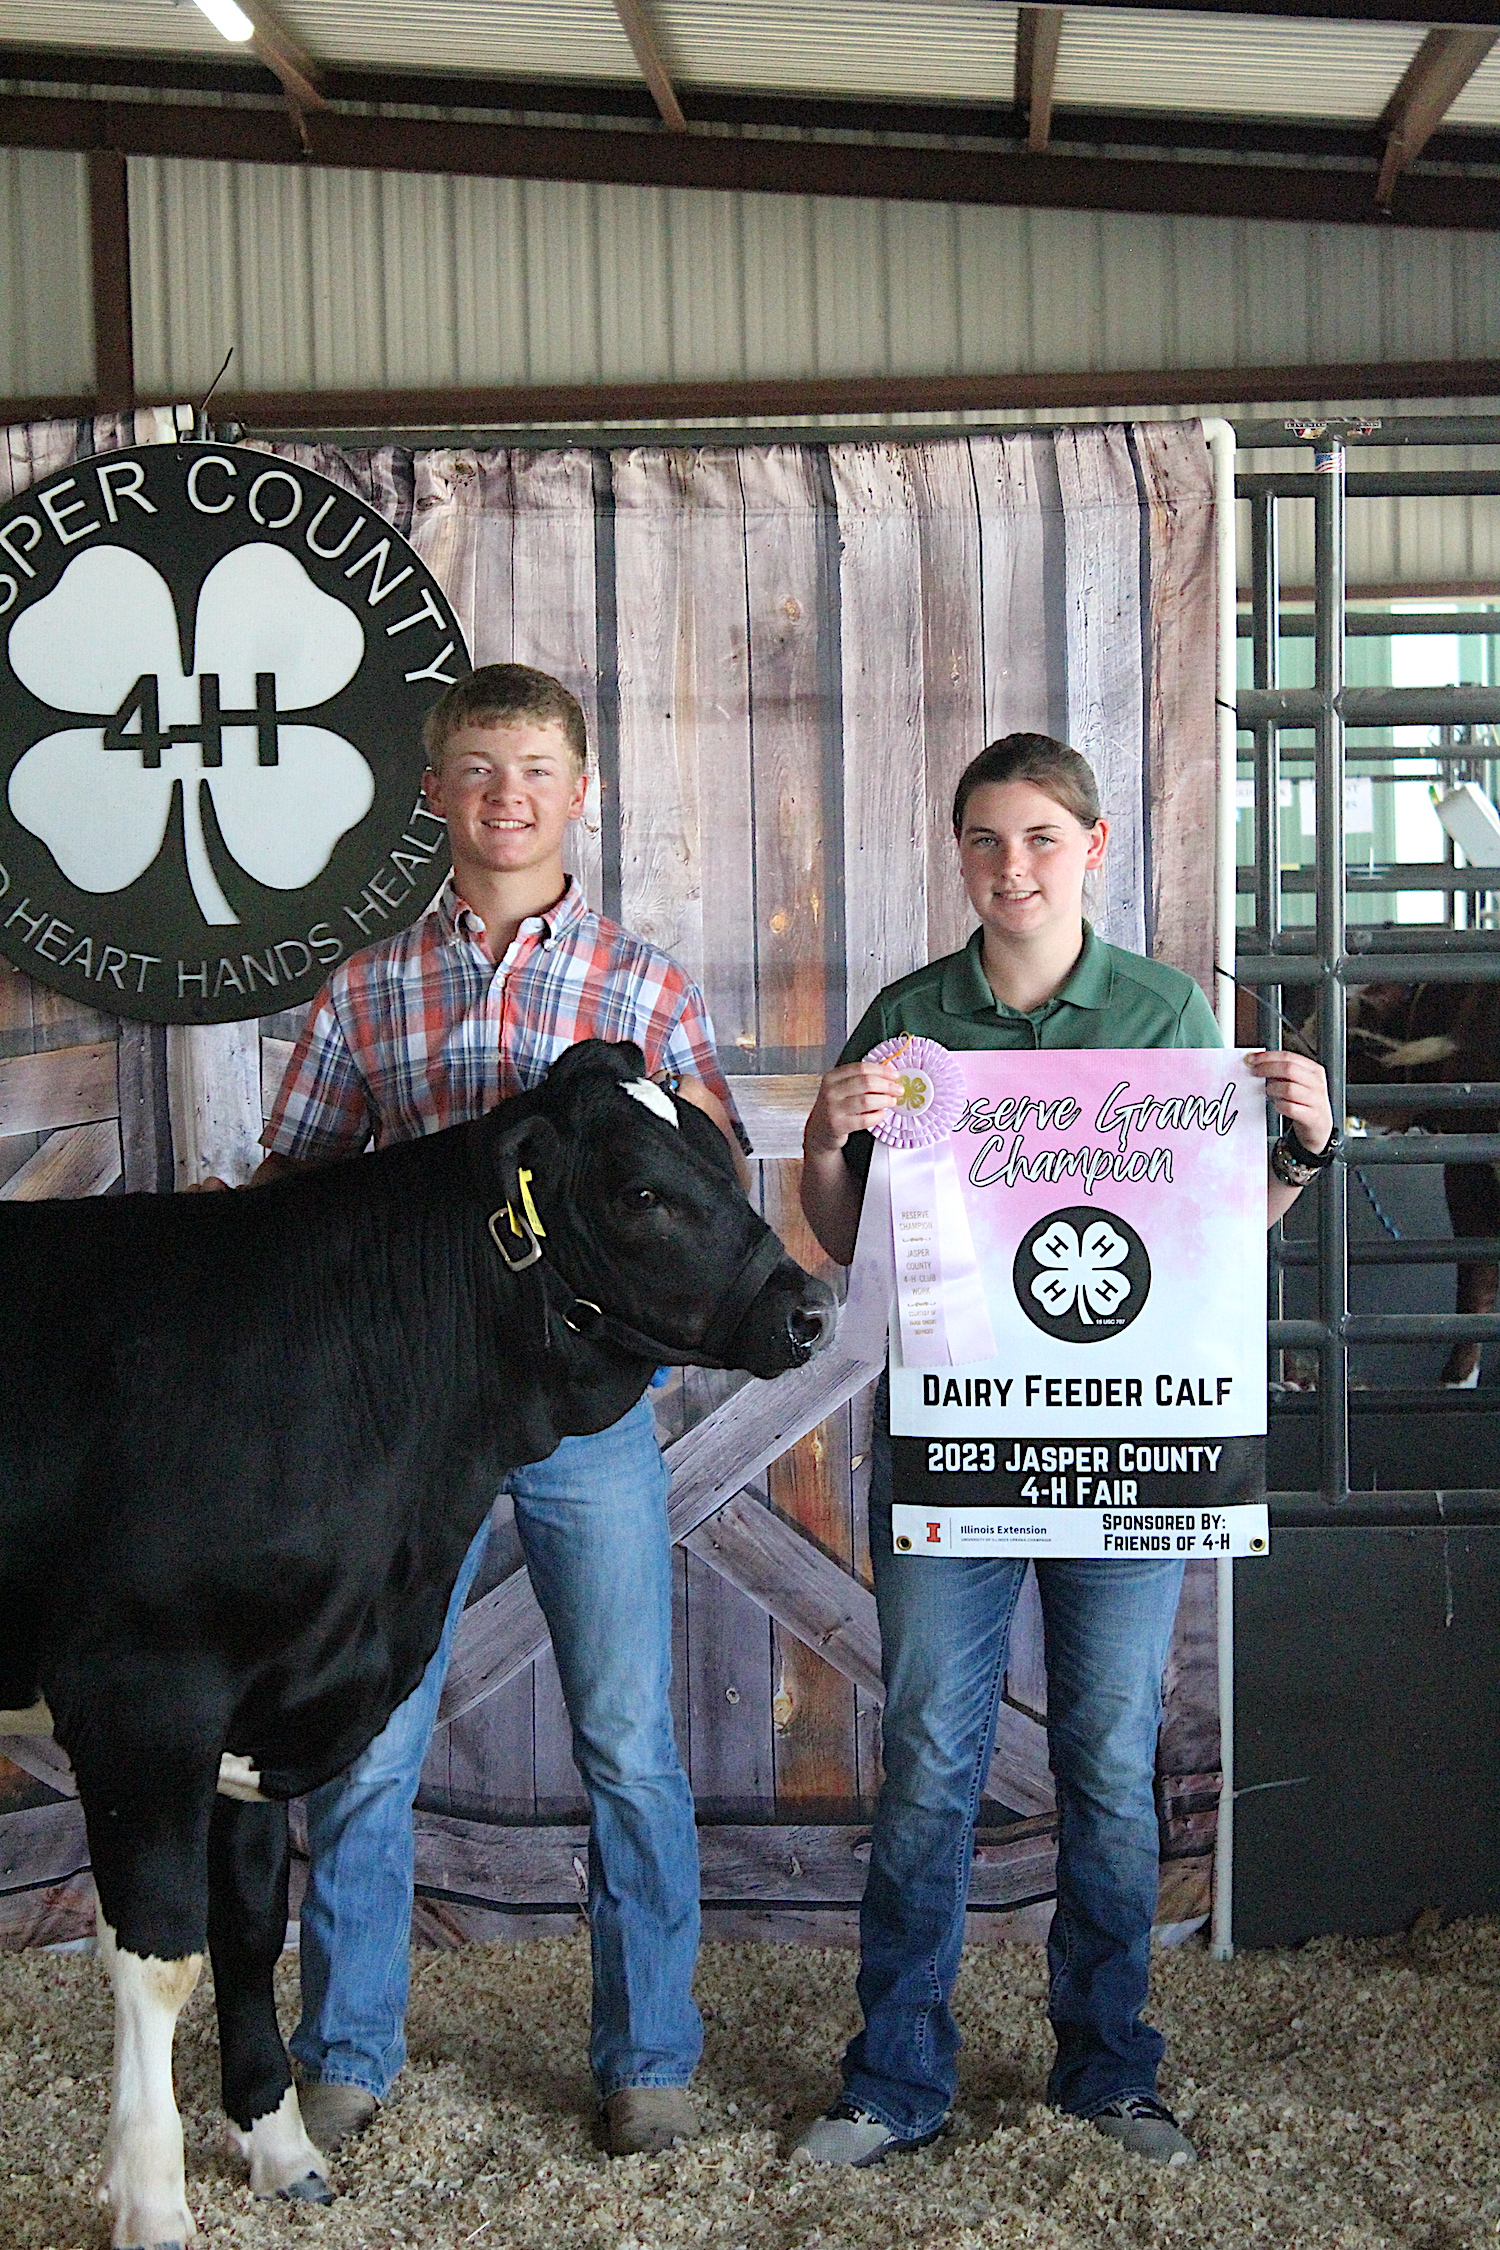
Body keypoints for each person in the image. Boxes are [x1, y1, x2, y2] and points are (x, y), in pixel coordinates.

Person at [793, 731, 1332, 2169]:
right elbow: (849, 1247)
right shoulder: (910, 1020)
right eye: (985, 839)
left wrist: (1299, 1145)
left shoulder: (1166, 1013)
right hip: (956, 1446)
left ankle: (1108, 2068)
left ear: (1094, 848)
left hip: (1129, 1450)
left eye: (1040, 837)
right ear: (957, 855)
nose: (1012, 865)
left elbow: (1221, 1228)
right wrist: (828, 1142)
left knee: (1107, 1759)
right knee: (929, 1756)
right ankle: (893, 2076)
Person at [255, 662, 748, 2159]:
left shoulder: (645, 988)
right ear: (435, 792)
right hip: (407, 1433)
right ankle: (346, 2050)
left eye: (533, 769)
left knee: (629, 1741)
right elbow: (297, 1189)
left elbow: (716, 1185)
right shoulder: (366, 989)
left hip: (588, 1416)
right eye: (477, 769)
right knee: (368, 1741)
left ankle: (649, 2059)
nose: (505, 797)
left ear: (579, 792)